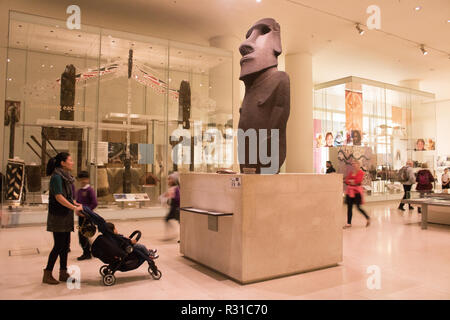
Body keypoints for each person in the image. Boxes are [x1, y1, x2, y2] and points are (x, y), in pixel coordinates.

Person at [43, 152, 84, 285]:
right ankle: (47, 273)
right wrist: (74, 208)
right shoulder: (57, 177)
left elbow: (67, 197)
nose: (72, 162)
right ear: (63, 163)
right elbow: (59, 197)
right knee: (59, 245)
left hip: (65, 215)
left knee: (65, 245)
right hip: (58, 216)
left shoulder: (65, 177)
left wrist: (75, 203)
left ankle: (63, 272)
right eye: (70, 160)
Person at [75, 171, 98, 261]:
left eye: (84, 179)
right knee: (83, 235)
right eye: (81, 179)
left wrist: (87, 212)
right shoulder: (80, 190)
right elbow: (79, 202)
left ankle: (87, 253)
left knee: (84, 235)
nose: (83, 181)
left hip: (87, 217)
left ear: (88, 179)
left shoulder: (90, 190)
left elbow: (94, 203)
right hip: (81, 216)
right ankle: (88, 251)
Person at [344, 159, 370, 228]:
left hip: (357, 192)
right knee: (349, 207)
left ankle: (367, 218)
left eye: (354, 163)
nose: (353, 165)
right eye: (352, 163)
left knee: (358, 207)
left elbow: (358, 181)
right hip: (350, 192)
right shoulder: (351, 172)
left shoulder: (361, 172)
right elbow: (346, 180)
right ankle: (349, 223)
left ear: (358, 164)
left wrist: (351, 181)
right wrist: (351, 182)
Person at [161, 172, 180, 240]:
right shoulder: (175, 188)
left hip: (175, 208)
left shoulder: (175, 188)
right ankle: (172, 233)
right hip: (175, 208)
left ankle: (173, 233)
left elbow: (170, 197)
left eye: (170, 179)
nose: (168, 181)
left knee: (168, 219)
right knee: (168, 219)